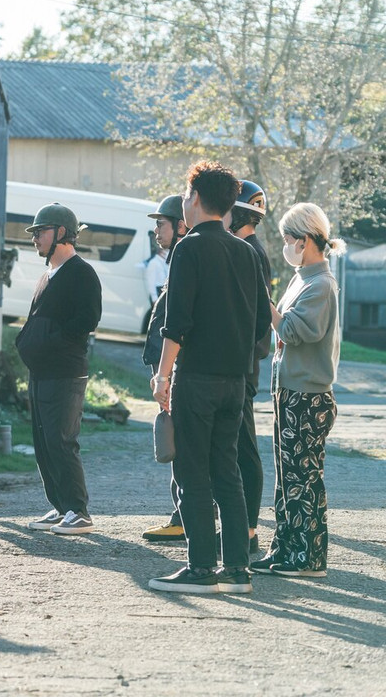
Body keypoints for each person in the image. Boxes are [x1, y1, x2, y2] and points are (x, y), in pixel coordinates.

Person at [148, 161, 271, 595]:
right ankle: (238, 570)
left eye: (185, 194)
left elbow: (175, 321)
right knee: (227, 474)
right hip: (235, 382)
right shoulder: (245, 250)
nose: (183, 200)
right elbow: (261, 323)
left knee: (192, 473)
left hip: (196, 379)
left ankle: (202, 568)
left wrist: (163, 376)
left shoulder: (190, 248)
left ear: (196, 198)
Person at [252, 202, 344, 577]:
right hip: (290, 391)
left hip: (307, 396)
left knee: (302, 480)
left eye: (289, 238)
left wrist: (266, 303)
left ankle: (308, 558)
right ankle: (287, 550)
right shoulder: (302, 277)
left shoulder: (320, 284)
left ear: (305, 240)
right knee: (288, 478)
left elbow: (293, 330)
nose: (285, 245)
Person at [16, 203, 102, 535]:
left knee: (61, 440)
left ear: (61, 233)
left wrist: (50, 341)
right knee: (43, 442)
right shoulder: (46, 274)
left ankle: (78, 511)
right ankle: (60, 506)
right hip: (41, 372)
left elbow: (87, 319)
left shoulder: (81, 273)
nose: (35, 238)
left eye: (41, 231)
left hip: (65, 372)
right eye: (35, 233)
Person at [223, 179, 273, 554]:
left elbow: (257, 319)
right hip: (240, 363)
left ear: (239, 212)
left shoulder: (249, 252)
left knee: (243, 448)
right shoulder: (246, 248)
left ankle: (250, 532)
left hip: (241, 366)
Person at [140, 194, 189, 542]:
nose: (157, 229)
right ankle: (182, 513)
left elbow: (178, 325)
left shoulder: (186, 261)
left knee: (181, 446)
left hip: (177, 374)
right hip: (168, 369)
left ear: (181, 226)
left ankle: (184, 517)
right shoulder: (175, 260)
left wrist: (165, 373)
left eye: (162, 223)